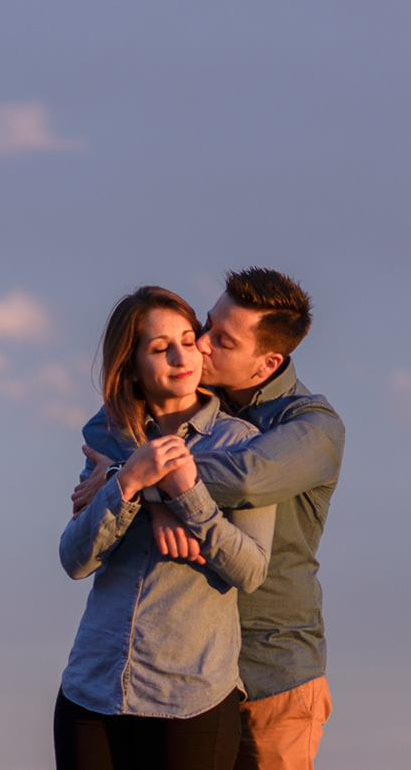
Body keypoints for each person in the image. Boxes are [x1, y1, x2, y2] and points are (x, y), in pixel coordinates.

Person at [73, 268, 344, 770]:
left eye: (223, 340)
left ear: (267, 364)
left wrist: (129, 481)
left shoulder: (310, 427)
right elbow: (110, 430)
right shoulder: (178, 405)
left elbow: (242, 479)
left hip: (271, 675)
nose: (199, 345)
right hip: (176, 672)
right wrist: (141, 489)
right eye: (207, 325)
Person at [55, 285, 278, 770]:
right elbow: (74, 559)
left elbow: (251, 570)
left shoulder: (242, 445)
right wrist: (129, 480)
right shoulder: (109, 439)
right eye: (160, 348)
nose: (182, 356)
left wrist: (185, 495)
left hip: (190, 699)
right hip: (91, 692)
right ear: (132, 366)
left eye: (187, 340)